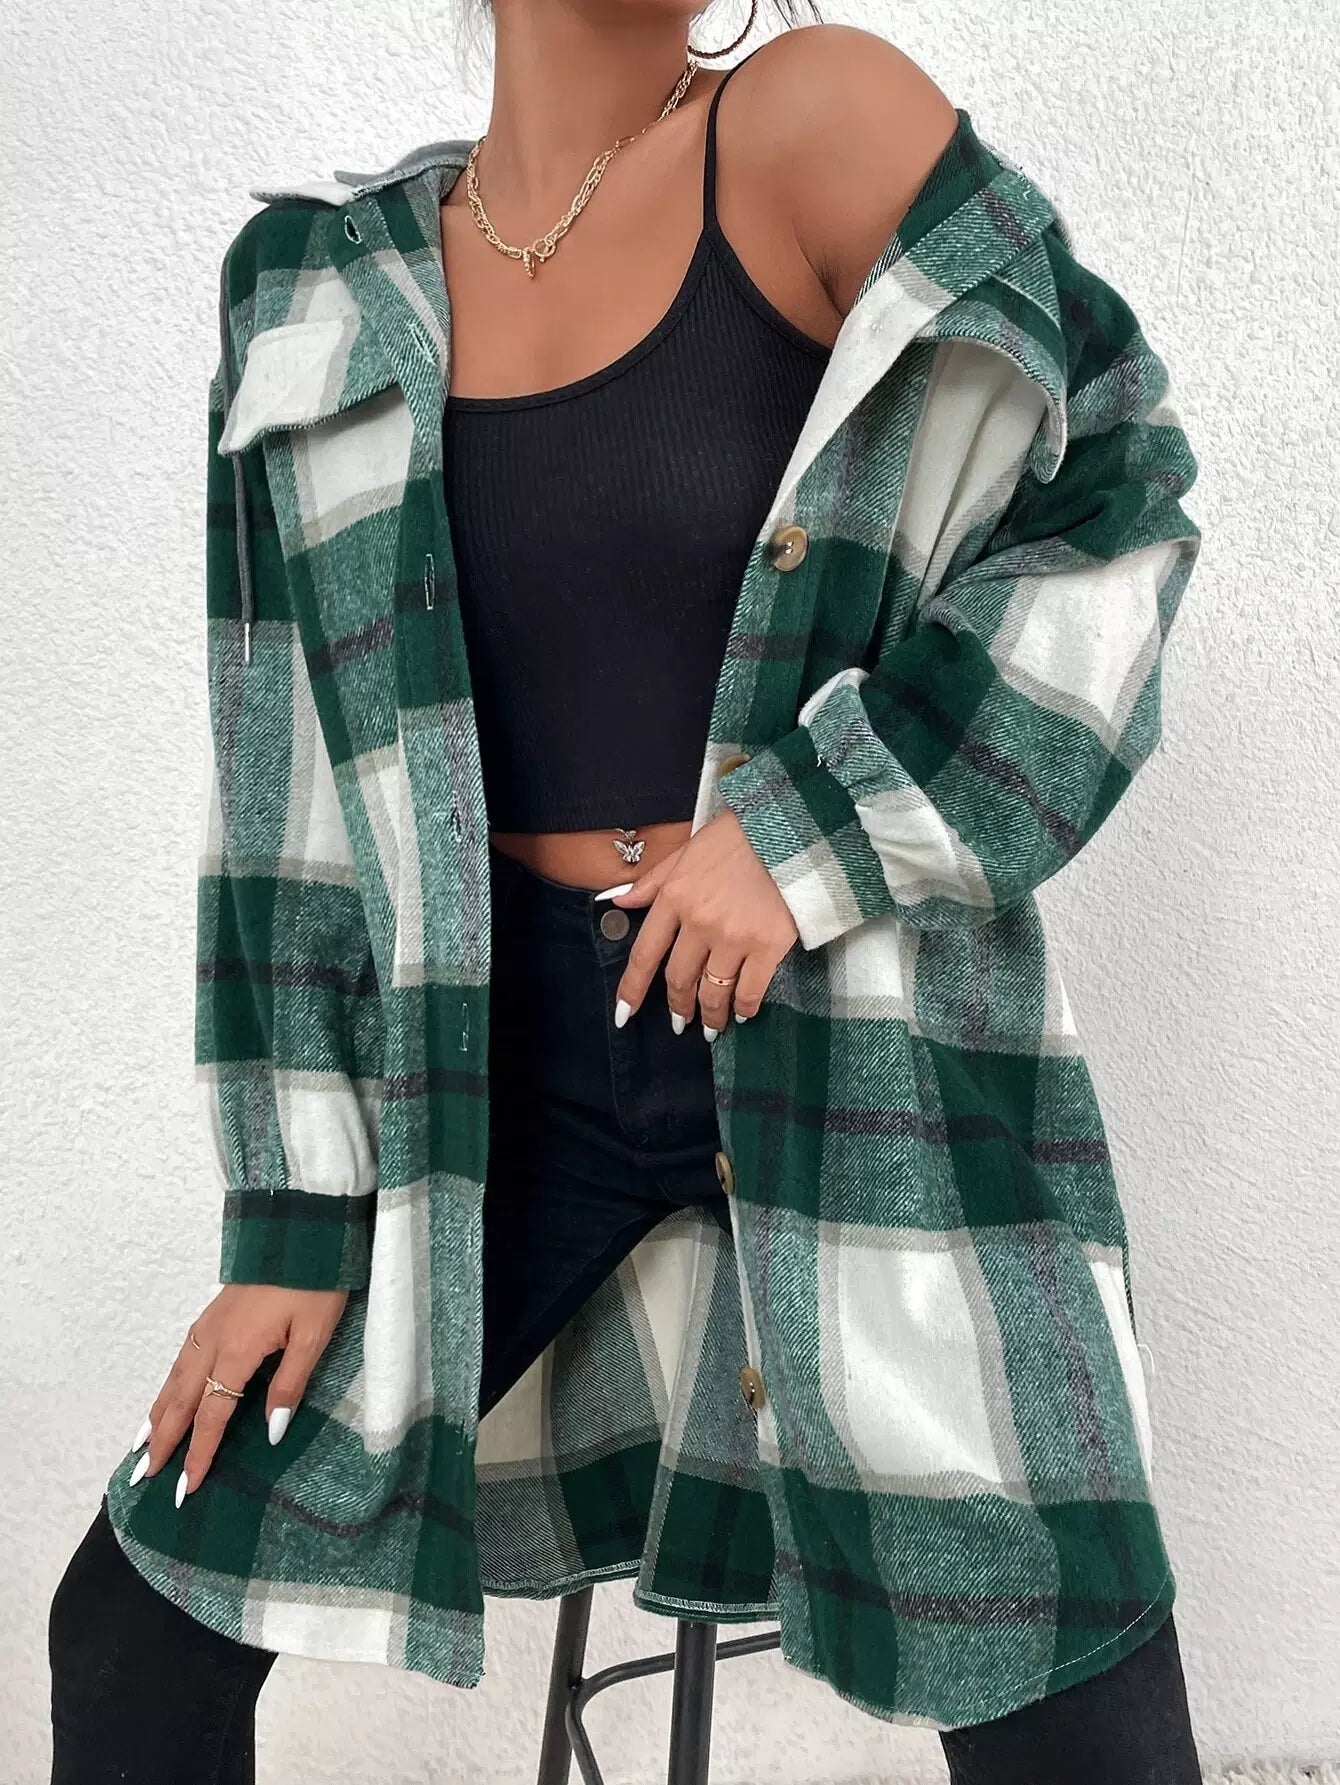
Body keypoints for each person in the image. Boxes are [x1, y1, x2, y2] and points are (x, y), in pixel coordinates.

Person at [49, 3, 1206, 1781]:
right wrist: (290, 1210)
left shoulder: (813, 120)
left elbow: (1117, 488)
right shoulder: (309, 293)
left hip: (844, 1025)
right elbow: (285, 784)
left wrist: (810, 831)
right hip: (490, 1081)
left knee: (1052, 1644)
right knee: (141, 1615)